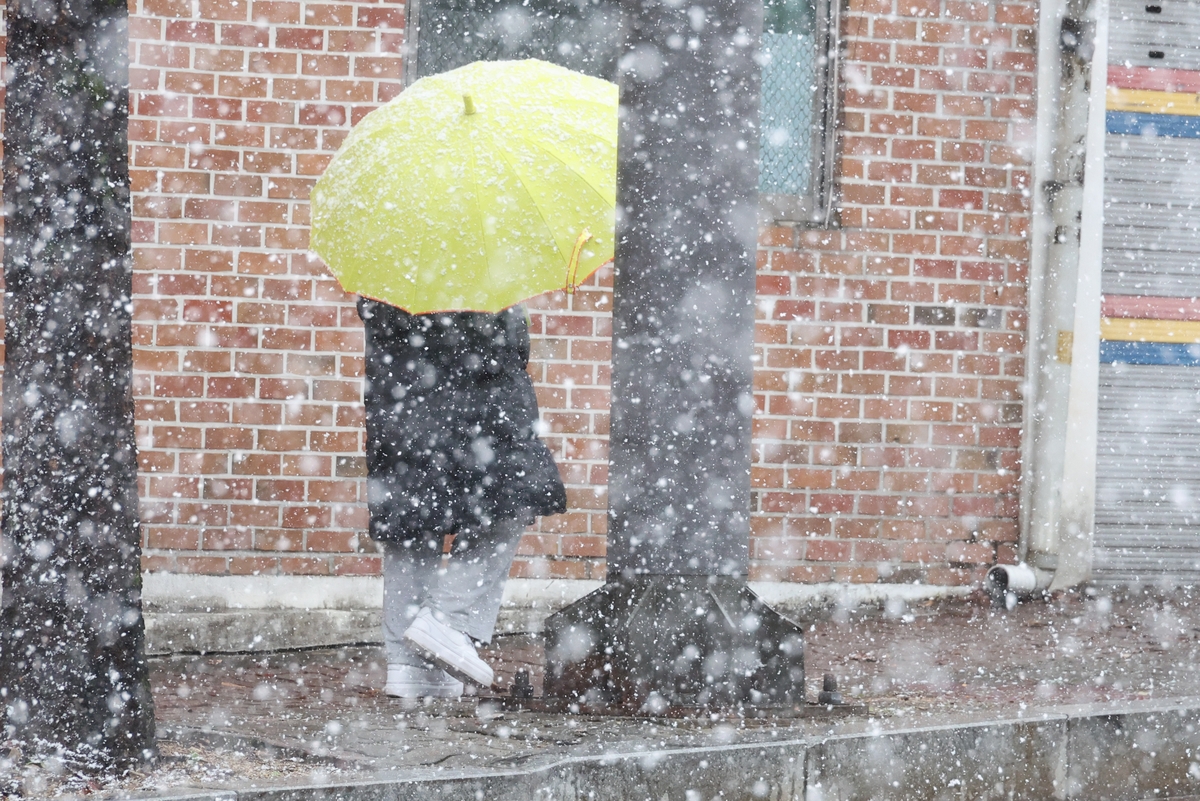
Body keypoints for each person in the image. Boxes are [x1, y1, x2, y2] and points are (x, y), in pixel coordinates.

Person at [358, 298, 567, 698]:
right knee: (510, 498)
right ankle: (449, 620)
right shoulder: (484, 261)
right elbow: (503, 343)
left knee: (413, 516)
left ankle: (410, 664)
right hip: (478, 395)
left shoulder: (389, 265)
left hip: (402, 395)